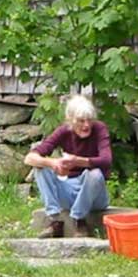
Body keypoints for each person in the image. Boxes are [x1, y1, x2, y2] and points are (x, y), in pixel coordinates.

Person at [24, 94, 112, 238]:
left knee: (95, 173)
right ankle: (55, 221)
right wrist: (53, 163)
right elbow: (29, 158)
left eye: (89, 120)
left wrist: (77, 160)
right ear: (70, 120)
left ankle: (79, 220)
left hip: (95, 194)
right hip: (70, 189)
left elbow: (106, 160)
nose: (86, 125)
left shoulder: (99, 129)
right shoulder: (63, 131)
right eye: (81, 121)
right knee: (40, 168)